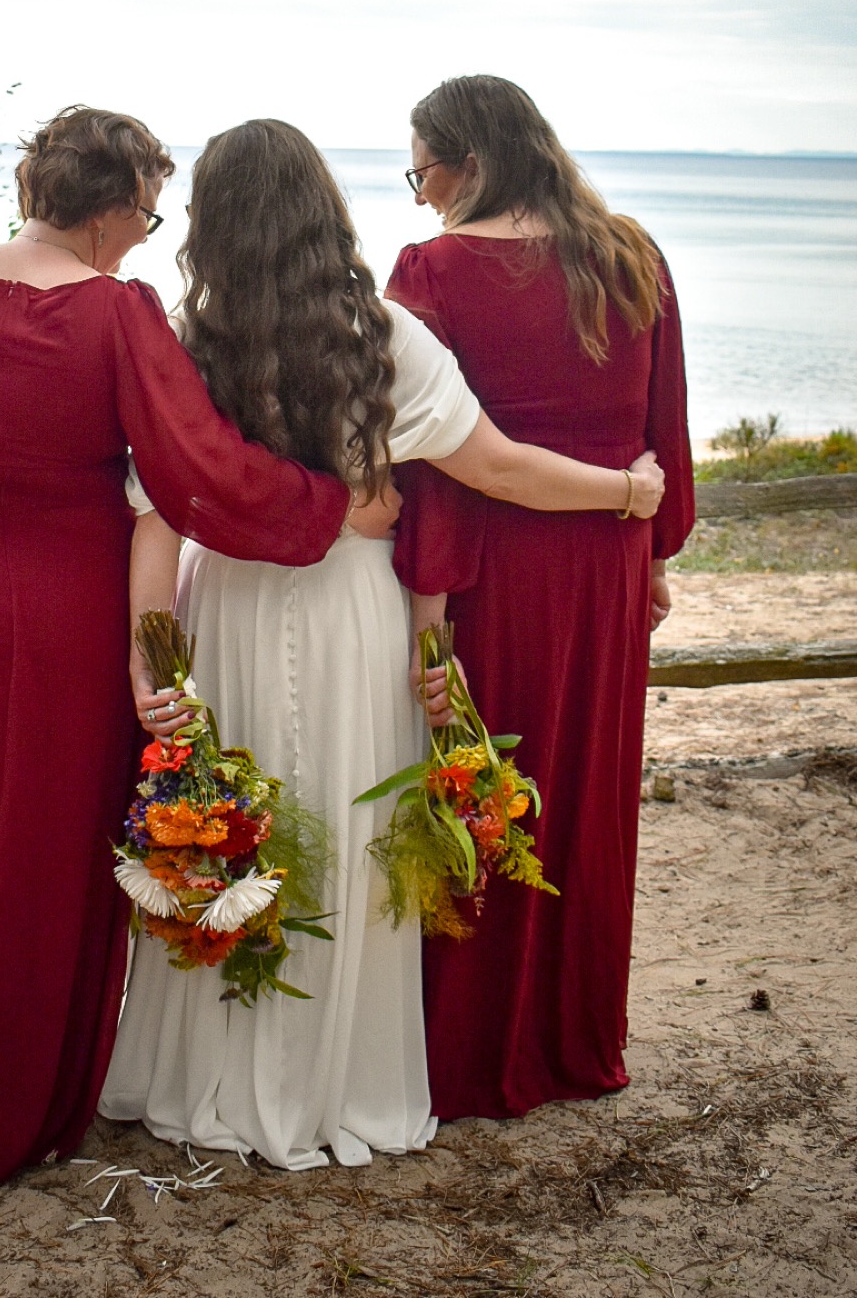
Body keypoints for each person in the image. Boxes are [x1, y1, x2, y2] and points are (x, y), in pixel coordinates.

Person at [0, 105, 394, 1195]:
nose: (149, 233)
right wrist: (318, 500)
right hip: (66, 617)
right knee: (42, 858)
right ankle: (7, 1108)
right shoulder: (121, 316)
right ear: (116, 207)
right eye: (150, 212)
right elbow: (194, 467)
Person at [98, 120, 664, 1170]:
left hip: (230, 604)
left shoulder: (186, 339)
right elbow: (501, 468)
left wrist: (149, 658)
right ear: (325, 211)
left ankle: (208, 1074)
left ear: (211, 226)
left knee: (227, 817)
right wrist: (628, 493)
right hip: (356, 610)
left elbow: (154, 516)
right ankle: (344, 1078)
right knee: (342, 830)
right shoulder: (386, 337)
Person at [387, 73, 695, 1121]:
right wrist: (650, 551)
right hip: (605, 561)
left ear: (468, 162)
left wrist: (428, 605)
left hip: (493, 566)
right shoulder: (632, 254)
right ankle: (574, 1041)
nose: (418, 192)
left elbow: (425, 461)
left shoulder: (431, 272)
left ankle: (469, 1054)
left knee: (477, 788)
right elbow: (666, 429)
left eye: (422, 168)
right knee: (580, 797)